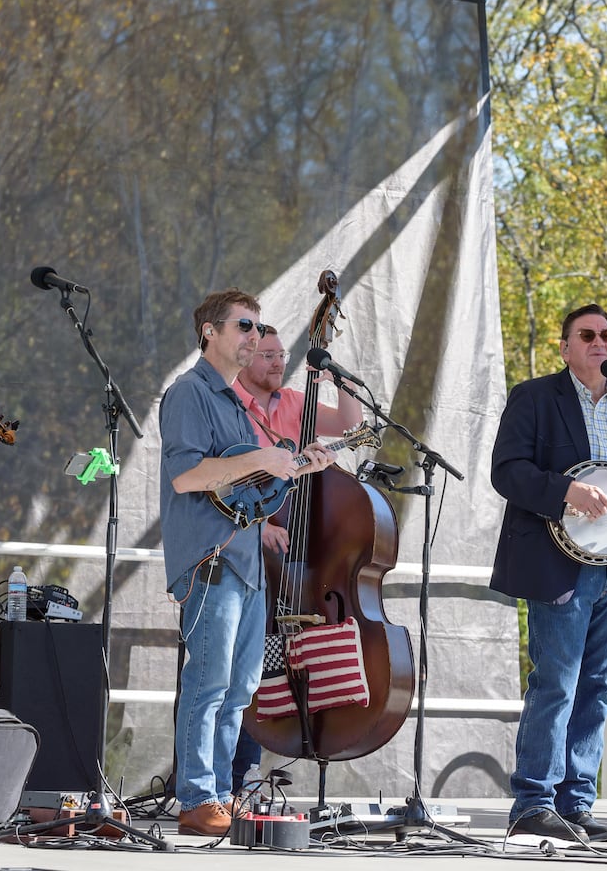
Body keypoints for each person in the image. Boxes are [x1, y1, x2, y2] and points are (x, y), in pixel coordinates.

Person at [489, 304, 607, 846]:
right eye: (587, 335)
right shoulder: (536, 397)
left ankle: (576, 803)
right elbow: (507, 470)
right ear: (566, 347)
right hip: (559, 564)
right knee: (557, 682)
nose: (600, 343)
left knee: (597, 688)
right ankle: (533, 803)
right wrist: (565, 491)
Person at [159, 289, 337, 837]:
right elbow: (187, 477)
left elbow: (243, 488)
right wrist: (265, 456)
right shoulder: (190, 393)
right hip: (211, 561)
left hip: (246, 562)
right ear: (209, 331)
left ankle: (217, 794)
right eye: (244, 326)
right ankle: (194, 798)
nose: (254, 338)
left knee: (239, 689)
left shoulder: (236, 401)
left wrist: (296, 467)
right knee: (208, 684)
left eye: (258, 329)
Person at [227, 335, 364, 794]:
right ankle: (214, 778)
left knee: (262, 664)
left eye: (282, 356)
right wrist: (259, 526)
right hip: (243, 549)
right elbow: (223, 480)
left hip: (291, 563)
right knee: (231, 666)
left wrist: (338, 379)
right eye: (268, 355)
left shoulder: (293, 401)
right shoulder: (229, 403)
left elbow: (350, 422)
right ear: (246, 357)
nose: (277, 363)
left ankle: (244, 774)